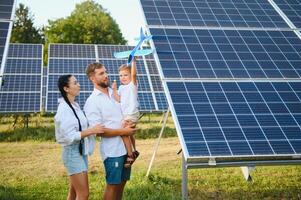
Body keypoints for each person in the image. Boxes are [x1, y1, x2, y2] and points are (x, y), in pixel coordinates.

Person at [84, 62, 137, 200]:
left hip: (126, 150)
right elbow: (99, 131)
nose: (106, 75)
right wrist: (124, 132)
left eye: (106, 72)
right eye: (101, 73)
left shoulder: (116, 94)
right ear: (92, 78)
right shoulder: (92, 102)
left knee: (122, 184)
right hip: (113, 151)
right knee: (112, 186)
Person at [54, 74, 104, 200]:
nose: (79, 85)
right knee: (84, 194)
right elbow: (68, 136)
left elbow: (81, 127)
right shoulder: (64, 109)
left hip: (81, 152)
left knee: (74, 193)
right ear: (66, 88)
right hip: (72, 153)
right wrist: (92, 130)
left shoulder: (74, 106)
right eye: (75, 83)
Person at [112, 57, 140, 168]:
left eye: (125, 75)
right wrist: (114, 90)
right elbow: (118, 99)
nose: (123, 78)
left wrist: (133, 62)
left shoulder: (132, 85)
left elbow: (134, 75)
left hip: (131, 114)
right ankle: (134, 150)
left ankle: (130, 155)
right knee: (129, 133)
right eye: (120, 75)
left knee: (123, 132)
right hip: (126, 114)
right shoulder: (121, 87)